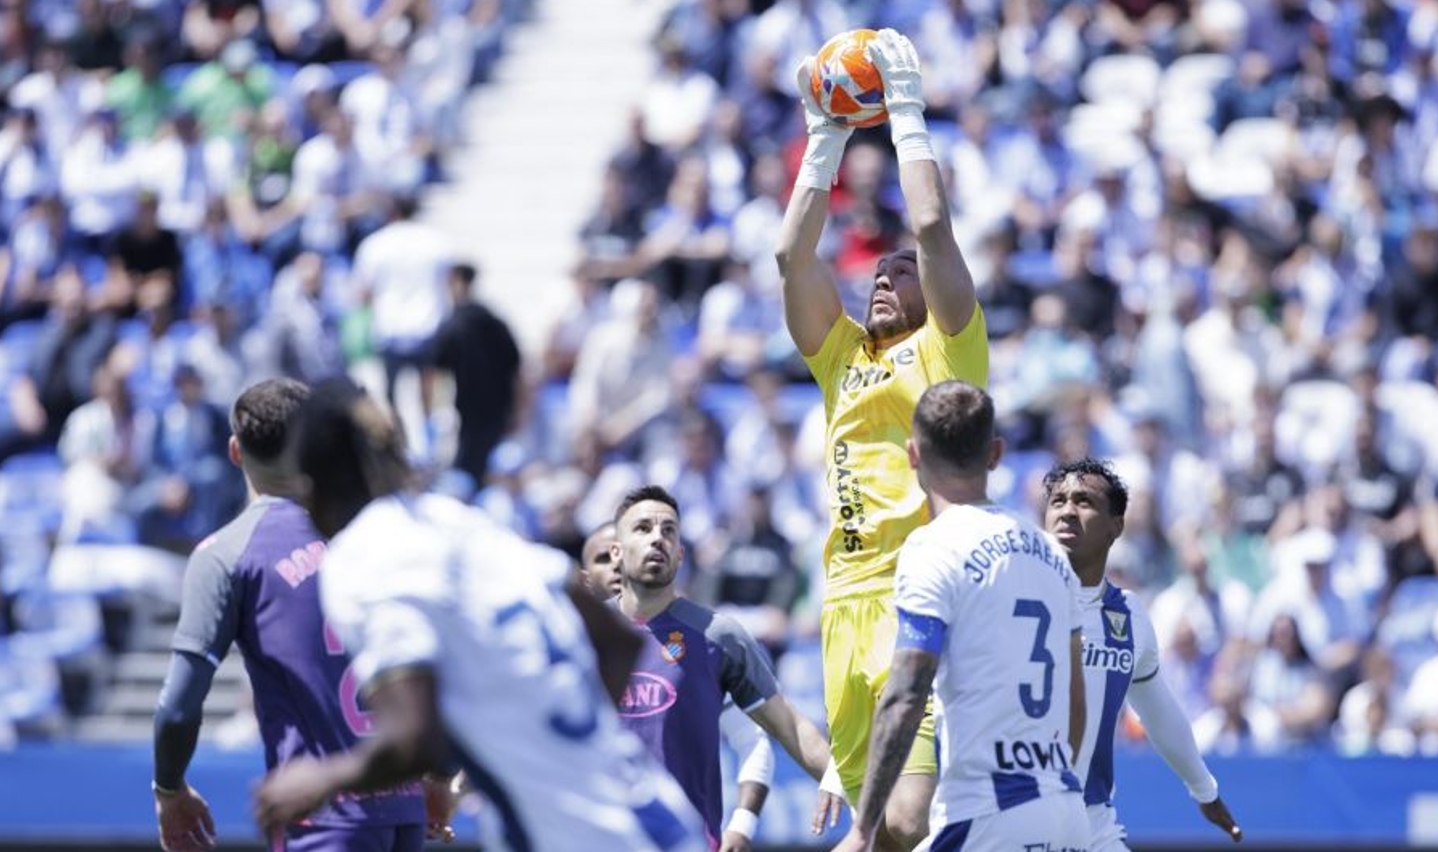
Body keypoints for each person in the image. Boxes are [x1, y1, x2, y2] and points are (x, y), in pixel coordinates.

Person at [253, 378, 706, 852]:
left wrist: (322, 779)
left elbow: (414, 739)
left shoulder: (363, 557)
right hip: (656, 816)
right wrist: (554, 752)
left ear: (309, 491)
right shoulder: (459, 521)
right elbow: (618, 641)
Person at [774, 28, 988, 849]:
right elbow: (791, 254)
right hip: (842, 602)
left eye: (900, 272)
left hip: (918, 594)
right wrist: (823, 139)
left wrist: (904, 110)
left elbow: (930, 225)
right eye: (879, 270)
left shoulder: (949, 348)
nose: (883, 276)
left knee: (900, 820)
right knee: (885, 836)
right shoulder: (840, 356)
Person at [152, 378, 434, 852]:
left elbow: (179, 705)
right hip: (403, 805)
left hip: (321, 814)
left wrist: (169, 788)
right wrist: (439, 775)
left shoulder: (229, 553)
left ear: (234, 452)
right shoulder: (377, 533)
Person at [833, 381, 1087, 852]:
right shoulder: (1054, 556)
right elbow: (1076, 703)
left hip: (986, 813)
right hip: (1064, 812)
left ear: (912, 456)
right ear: (995, 453)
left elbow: (907, 696)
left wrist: (863, 829)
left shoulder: (933, 548)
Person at [611, 485, 831, 849]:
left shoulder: (717, 635)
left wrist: (850, 792)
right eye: (643, 528)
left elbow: (787, 726)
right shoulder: (584, 636)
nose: (657, 539)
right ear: (616, 552)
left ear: (681, 554)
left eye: (668, 530)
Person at [1041, 457, 1244, 849]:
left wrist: (1204, 789)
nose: (1067, 511)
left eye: (1083, 501)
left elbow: (1158, 712)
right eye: (1058, 500)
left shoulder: (1128, 615)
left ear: (1116, 527)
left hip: (1092, 822)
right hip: (1016, 816)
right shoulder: (1009, 594)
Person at [580, 517, 779, 852]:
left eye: (625, 552)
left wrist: (742, 826)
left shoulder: (699, 642)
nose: (618, 565)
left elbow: (753, 740)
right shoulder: (568, 654)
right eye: (605, 558)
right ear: (584, 582)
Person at [432, 261, 522, 488]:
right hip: (497, 411)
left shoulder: (453, 324)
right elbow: (517, 369)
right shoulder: (494, 321)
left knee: (466, 475)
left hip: (467, 413)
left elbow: (434, 372)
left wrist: (433, 412)